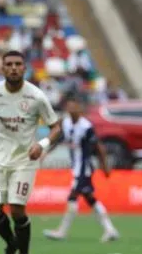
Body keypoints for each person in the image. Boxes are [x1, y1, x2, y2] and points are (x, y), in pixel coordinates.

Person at [0, 50, 61, 254]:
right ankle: (11, 245)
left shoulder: (36, 96)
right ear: (2, 68)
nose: (13, 68)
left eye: (18, 64)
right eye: (9, 64)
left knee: (18, 211)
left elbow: (56, 127)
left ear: (24, 68)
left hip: (25, 160)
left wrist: (43, 145)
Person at [42, 95, 119, 242]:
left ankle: (62, 231)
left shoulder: (86, 126)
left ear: (79, 107)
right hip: (76, 168)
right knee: (90, 199)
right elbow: (58, 140)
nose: (71, 109)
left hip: (84, 169)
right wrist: (45, 152)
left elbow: (99, 147)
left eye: (73, 106)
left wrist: (105, 166)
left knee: (72, 196)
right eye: (68, 106)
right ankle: (110, 230)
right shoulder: (66, 123)